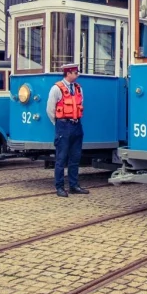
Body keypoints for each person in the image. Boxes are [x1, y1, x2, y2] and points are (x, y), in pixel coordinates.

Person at [46, 63, 88, 198]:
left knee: (75, 158)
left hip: (76, 125)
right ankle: (59, 187)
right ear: (68, 73)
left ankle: (74, 186)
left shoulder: (78, 88)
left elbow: (81, 105)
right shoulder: (56, 89)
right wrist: (58, 124)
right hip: (63, 126)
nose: (78, 75)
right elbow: (50, 110)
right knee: (61, 159)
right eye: (76, 72)